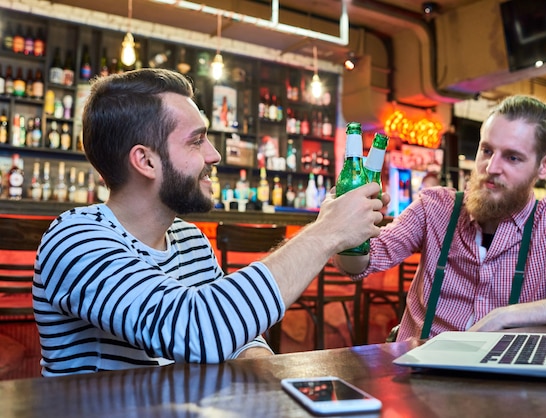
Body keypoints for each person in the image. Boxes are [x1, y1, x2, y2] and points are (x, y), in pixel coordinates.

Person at [33, 68, 385, 376]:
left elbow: (236, 337)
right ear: (146, 161)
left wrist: (264, 370)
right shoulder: (76, 239)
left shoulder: (189, 240)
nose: (214, 155)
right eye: (197, 141)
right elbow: (198, 329)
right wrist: (327, 232)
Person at [335, 95, 546, 342]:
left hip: (505, 378)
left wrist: (508, 316)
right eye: (487, 150)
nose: (491, 168)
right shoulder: (435, 207)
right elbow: (360, 264)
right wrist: (346, 232)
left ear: (545, 165)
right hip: (420, 373)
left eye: (513, 158)